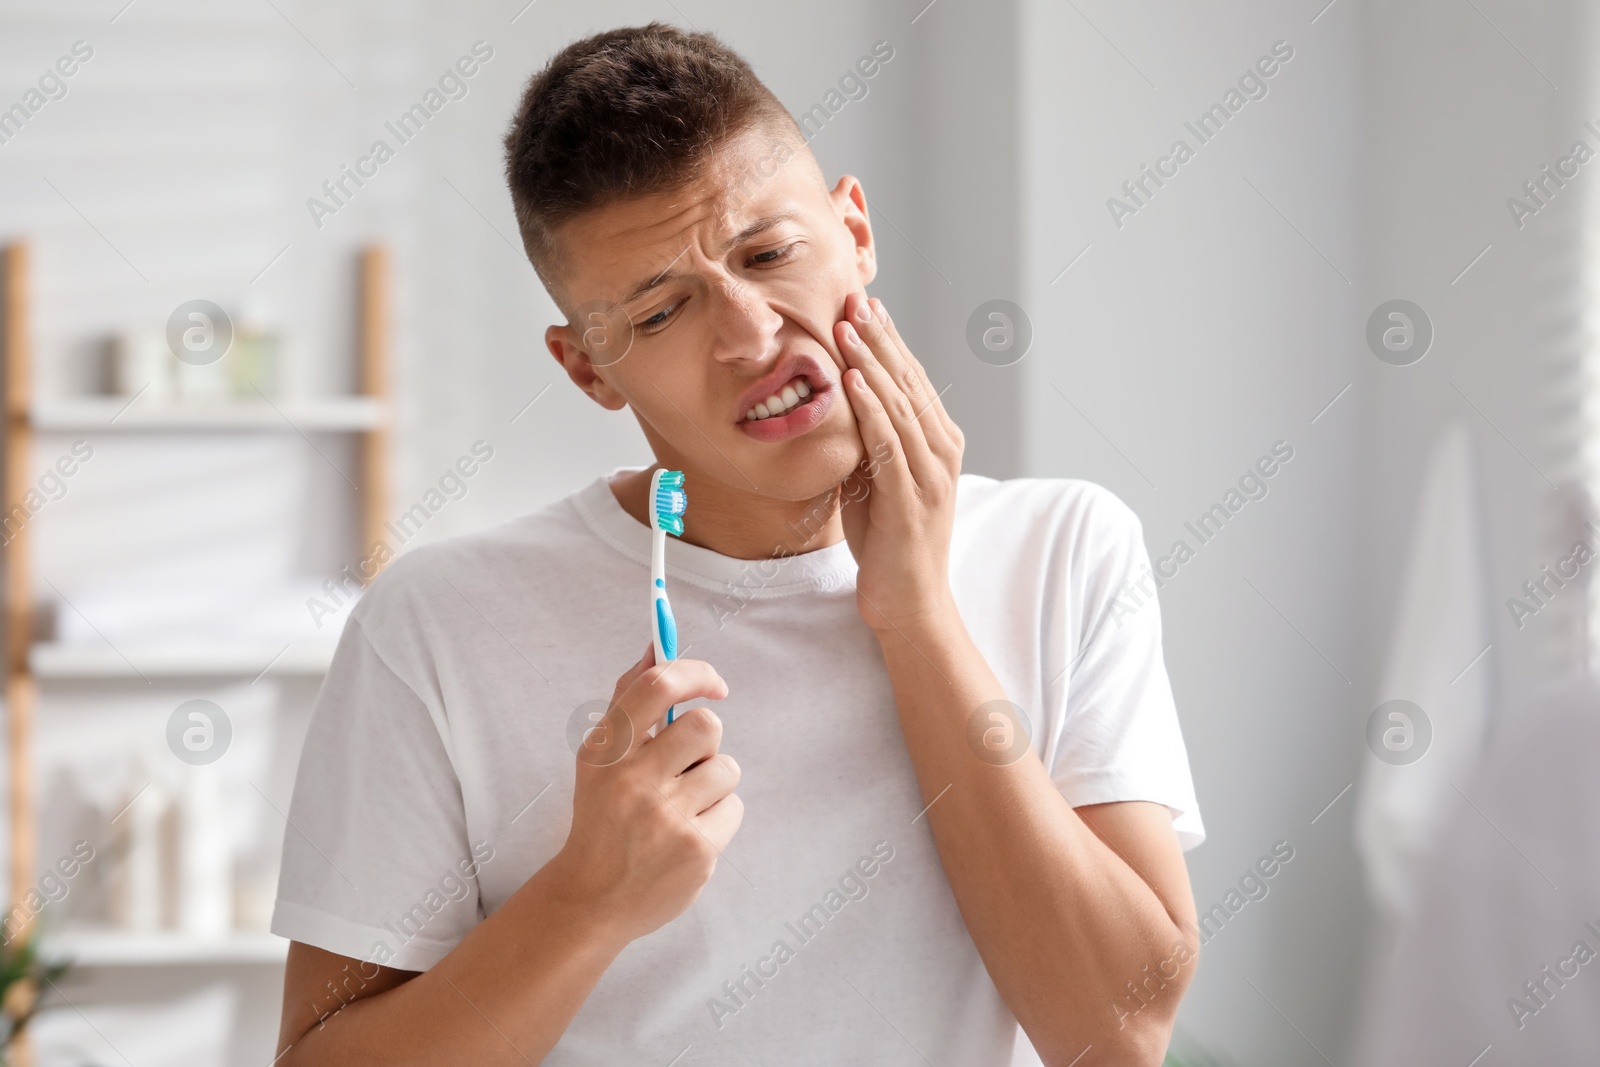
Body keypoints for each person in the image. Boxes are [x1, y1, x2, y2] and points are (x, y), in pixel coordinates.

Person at [271, 23, 1204, 1066]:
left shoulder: (1065, 550)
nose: (750, 336)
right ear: (589, 368)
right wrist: (584, 902)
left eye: (769, 254)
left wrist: (918, 616)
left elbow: (1117, 1034)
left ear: (853, 228)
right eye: (662, 311)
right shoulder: (437, 623)